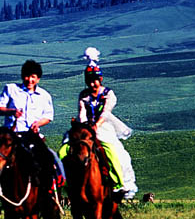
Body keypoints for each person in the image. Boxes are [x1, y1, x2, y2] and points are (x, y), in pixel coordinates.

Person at [59, 47, 138, 202]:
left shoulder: (108, 94)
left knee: (113, 152)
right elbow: (82, 112)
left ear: (100, 79)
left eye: (95, 80)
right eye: (90, 80)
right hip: (85, 128)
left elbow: (106, 112)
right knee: (64, 150)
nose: (93, 83)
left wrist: (96, 125)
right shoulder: (83, 95)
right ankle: (64, 183)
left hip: (103, 127)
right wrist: (83, 125)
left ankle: (118, 183)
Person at [0, 59, 65, 213]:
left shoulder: (44, 95)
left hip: (32, 136)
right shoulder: (10, 89)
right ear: (23, 76)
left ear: (38, 79)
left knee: (53, 159)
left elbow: (48, 116)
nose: (30, 80)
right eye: (27, 76)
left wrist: (38, 124)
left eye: (34, 77)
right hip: (12, 136)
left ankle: (54, 194)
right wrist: (11, 111)